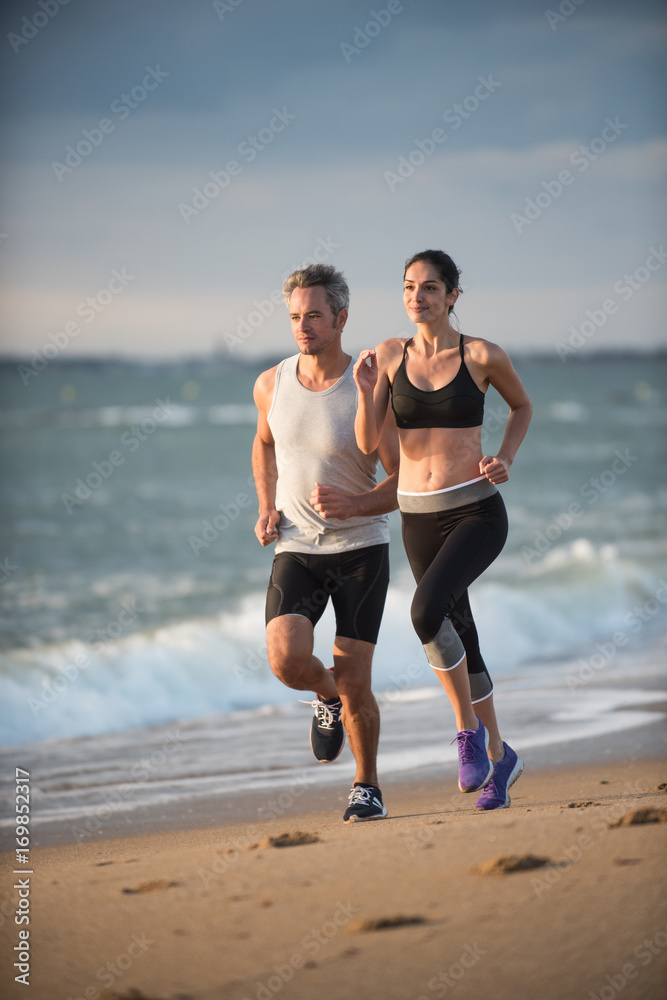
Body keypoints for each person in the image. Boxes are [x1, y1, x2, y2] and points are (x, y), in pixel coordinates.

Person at [354, 249, 533, 810]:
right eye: (410, 287)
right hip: (417, 517)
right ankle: (501, 758)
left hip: (476, 511)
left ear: (453, 295)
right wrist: (364, 392)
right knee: (459, 629)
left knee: (425, 613)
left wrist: (504, 457)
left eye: (431, 288)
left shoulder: (481, 354)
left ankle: (467, 735)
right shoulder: (387, 355)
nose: (418, 297)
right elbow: (366, 443)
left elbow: (522, 406)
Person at [252, 263, 399, 822]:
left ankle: (367, 786)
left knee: (358, 677)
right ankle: (327, 697)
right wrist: (266, 506)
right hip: (296, 547)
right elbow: (262, 446)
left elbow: (401, 475)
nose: (303, 326)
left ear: (341, 318)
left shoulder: (367, 386)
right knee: (287, 660)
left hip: (361, 550)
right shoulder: (272, 383)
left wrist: (357, 505)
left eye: (314, 315)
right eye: (295, 316)